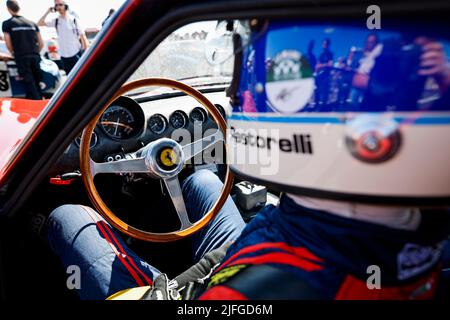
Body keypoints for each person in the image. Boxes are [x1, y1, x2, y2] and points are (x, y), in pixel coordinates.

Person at [46, 20, 450, 300]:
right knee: (202, 181)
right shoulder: (419, 225)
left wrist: (175, 288)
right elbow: (263, 239)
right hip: (283, 247)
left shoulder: (247, 295)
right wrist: (212, 266)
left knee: (70, 215)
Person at [2, 0, 44, 100]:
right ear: (19, 8)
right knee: (38, 83)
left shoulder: (7, 24)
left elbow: (8, 43)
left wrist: (13, 53)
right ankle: (41, 103)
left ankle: (37, 107)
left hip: (22, 57)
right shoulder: (32, 23)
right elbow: (41, 43)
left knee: (29, 84)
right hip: (35, 56)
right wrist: (35, 52)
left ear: (8, 9)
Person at [37, 0, 88, 75]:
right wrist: (47, 12)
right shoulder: (56, 21)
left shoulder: (73, 20)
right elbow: (39, 23)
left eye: (60, 5)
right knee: (70, 79)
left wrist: (84, 53)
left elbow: (83, 37)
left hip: (75, 54)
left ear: (66, 6)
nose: (58, 7)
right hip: (64, 56)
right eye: (56, 5)